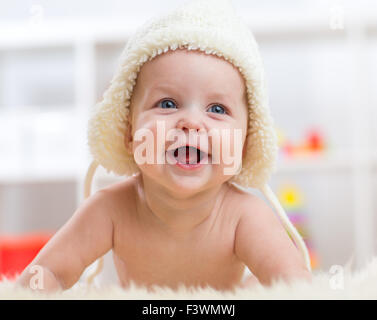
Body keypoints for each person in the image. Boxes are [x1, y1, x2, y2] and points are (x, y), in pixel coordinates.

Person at [16, 0, 311, 292]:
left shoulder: (245, 216)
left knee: (255, 288)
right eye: (167, 104)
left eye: (217, 109)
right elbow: (46, 274)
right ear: (129, 134)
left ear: (245, 144)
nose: (192, 123)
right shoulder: (110, 209)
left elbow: (297, 287)